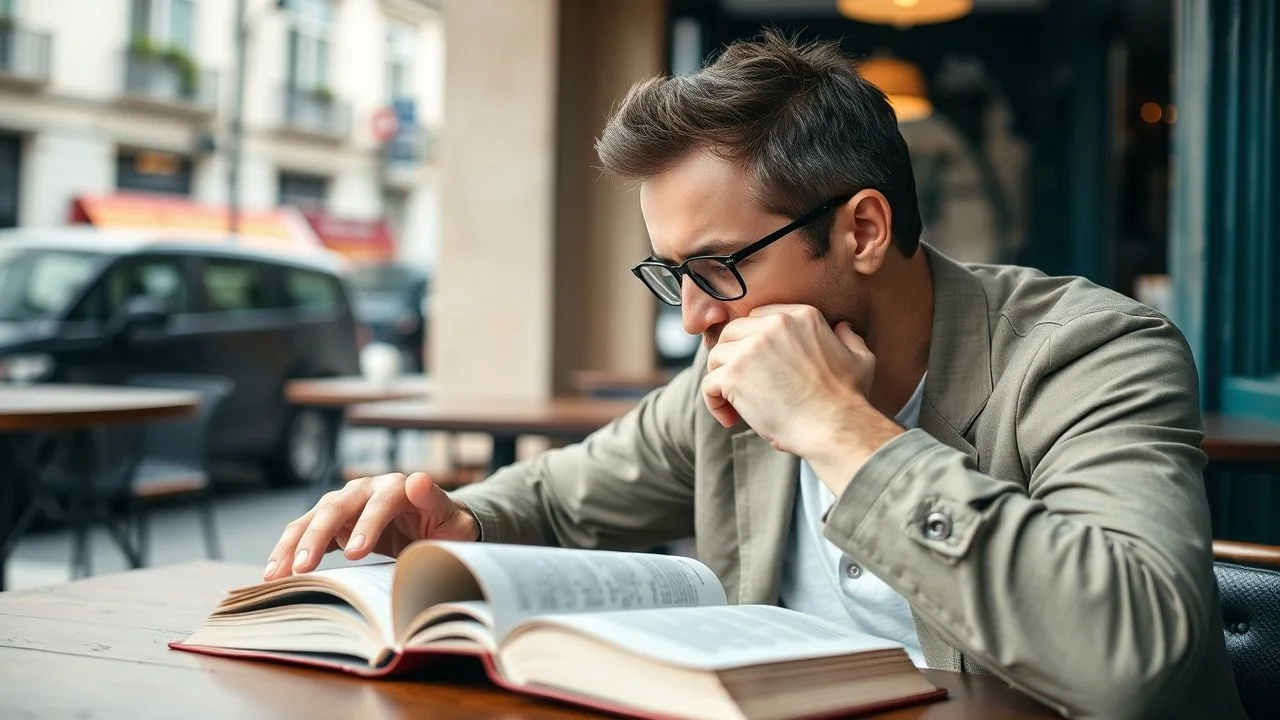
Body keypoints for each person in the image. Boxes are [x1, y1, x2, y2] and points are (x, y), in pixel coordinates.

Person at [264, 31, 1245, 719]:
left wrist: (840, 429)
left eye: (717, 268)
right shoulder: (722, 379)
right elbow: (562, 501)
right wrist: (451, 518)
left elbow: (1133, 666)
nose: (692, 318)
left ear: (861, 228)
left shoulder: (1091, 353)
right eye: (671, 274)